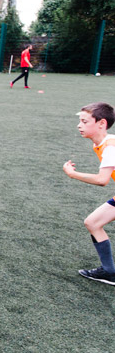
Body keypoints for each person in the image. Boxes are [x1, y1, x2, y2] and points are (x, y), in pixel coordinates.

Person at [63, 102, 115, 285]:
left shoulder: (110, 146)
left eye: (85, 122)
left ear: (101, 123)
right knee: (93, 222)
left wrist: (72, 174)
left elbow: (102, 180)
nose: (79, 125)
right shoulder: (102, 144)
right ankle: (109, 272)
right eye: (80, 121)